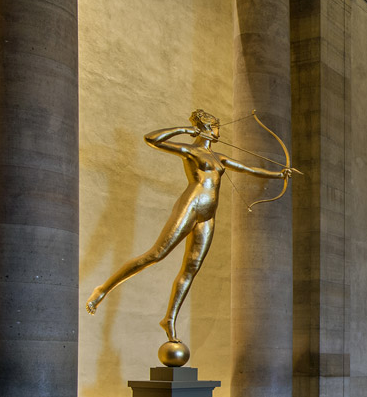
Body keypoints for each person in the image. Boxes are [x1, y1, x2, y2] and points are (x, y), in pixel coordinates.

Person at [85, 110, 294, 342]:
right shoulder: (191, 150)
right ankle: (102, 289)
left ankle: (170, 319)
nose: (218, 132)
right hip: (191, 205)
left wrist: (279, 174)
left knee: (191, 268)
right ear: (205, 127)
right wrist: (184, 130)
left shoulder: (219, 157)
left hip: (208, 214)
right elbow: (151, 139)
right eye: (215, 127)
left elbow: (248, 169)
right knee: (156, 254)